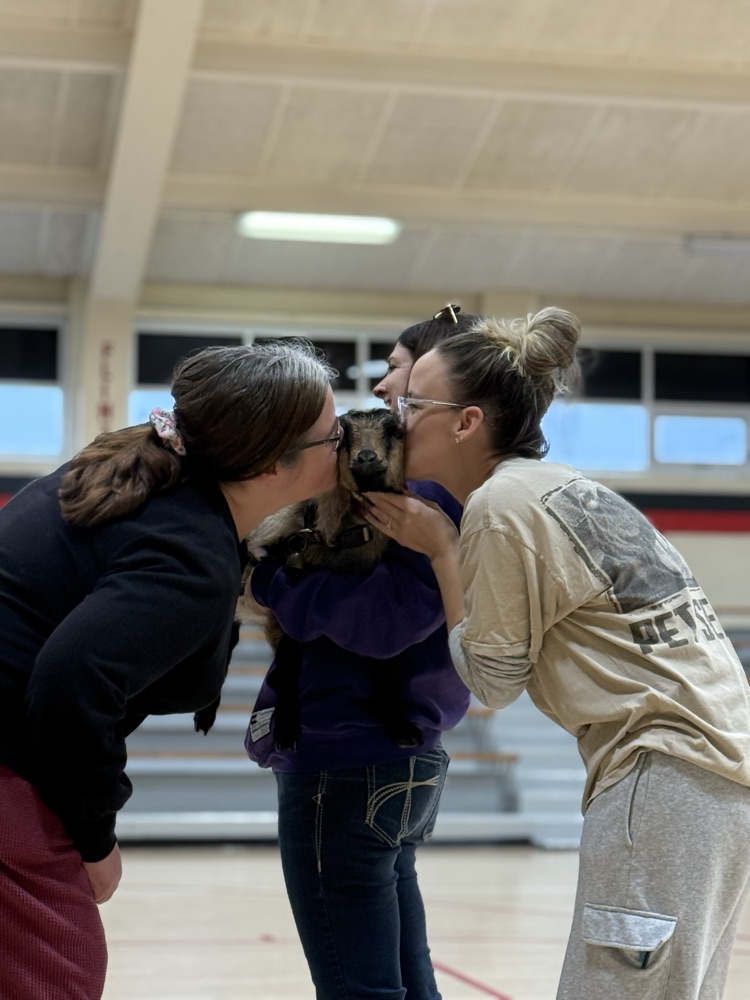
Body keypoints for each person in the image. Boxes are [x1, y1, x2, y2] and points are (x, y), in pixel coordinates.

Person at [363, 307, 750, 1000]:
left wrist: (442, 550)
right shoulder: (563, 487)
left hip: (660, 773)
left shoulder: (500, 506)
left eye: (412, 402)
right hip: (716, 776)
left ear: (465, 422)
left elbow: (492, 678)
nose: (396, 416)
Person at [0, 340, 338, 1000]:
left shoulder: (140, 475)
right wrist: (96, 841)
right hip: (9, 767)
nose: (348, 445)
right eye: (332, 436)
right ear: (273, 462)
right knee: (55, 976)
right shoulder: (191, 551)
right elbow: (70, 683)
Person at [243, 307, 472, 1000]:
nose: (380, 388)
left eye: (397, 369)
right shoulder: (440, 496)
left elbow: (382, 621)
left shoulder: (420, 501)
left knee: (359, 986)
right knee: (403, 976)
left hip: (348, 759)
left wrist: (272, 582)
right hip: (392, 755)